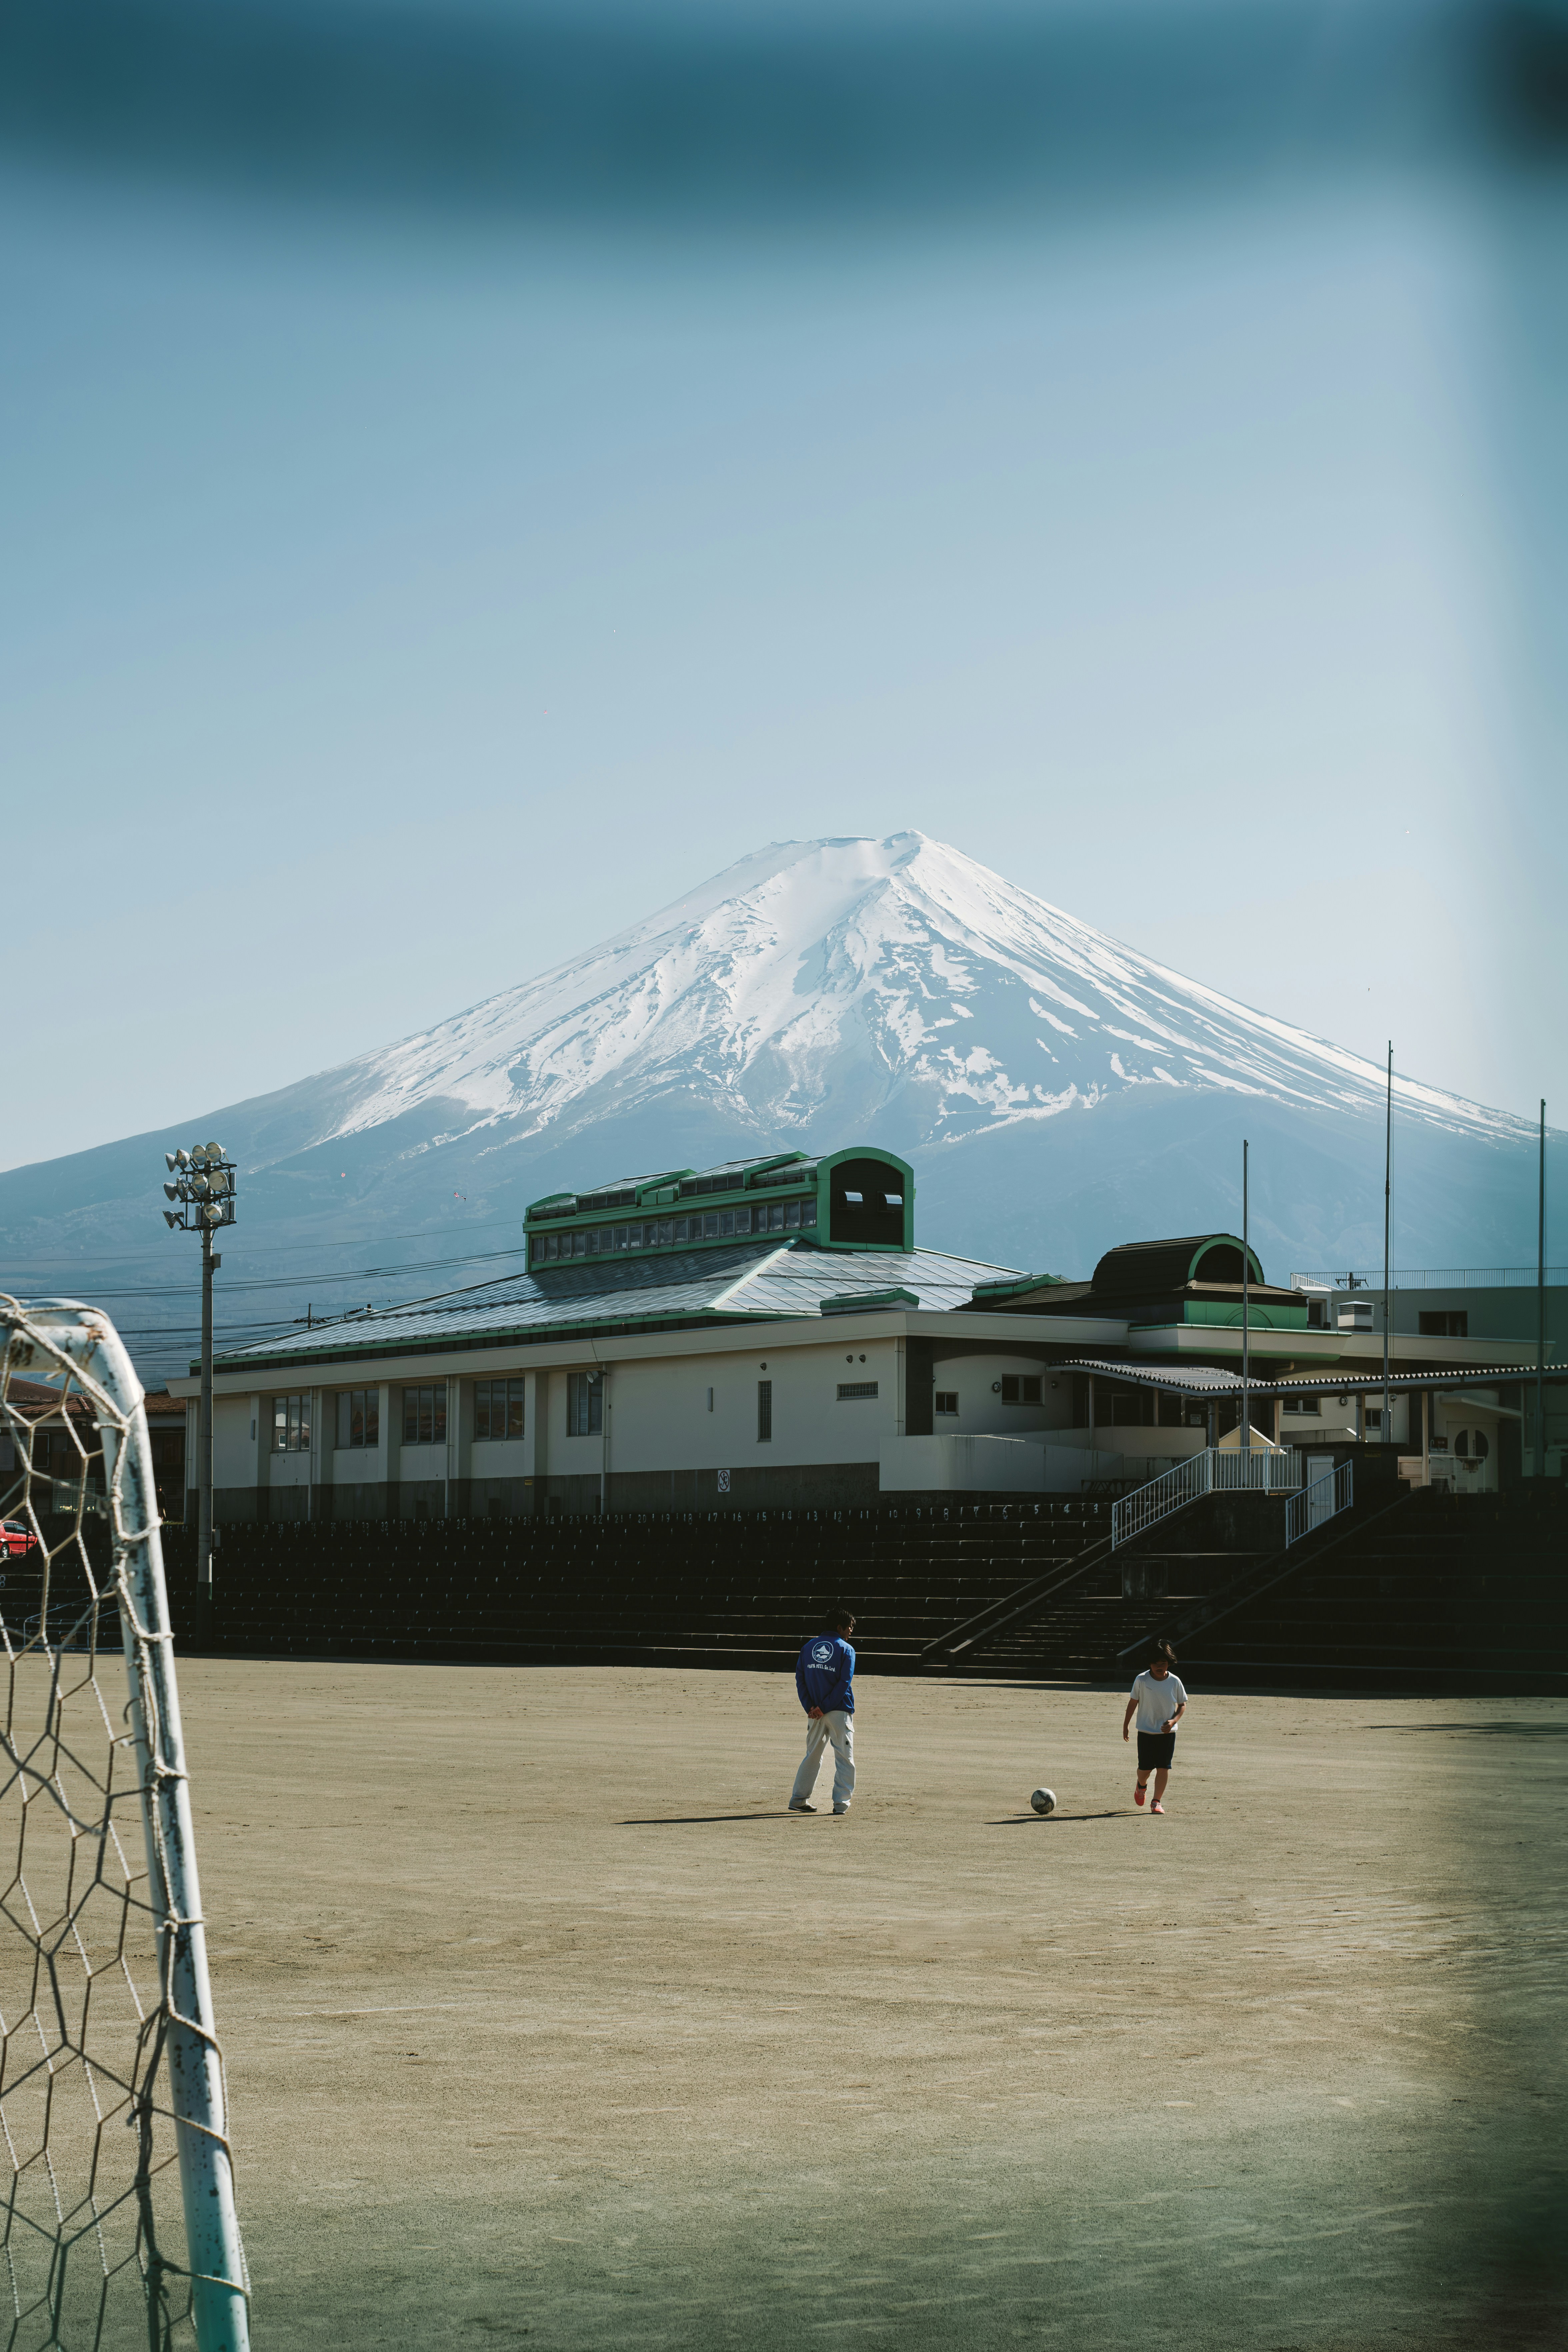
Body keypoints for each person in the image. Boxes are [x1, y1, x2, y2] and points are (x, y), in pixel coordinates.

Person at [789, 1608, 857, 1816]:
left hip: (814, 1714)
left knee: (812, 1756)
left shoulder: (808, 1647)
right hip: (838, 1711)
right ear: (840, 1627)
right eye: (850, 1628)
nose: (851, 1632)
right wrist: (825, 1707)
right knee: (845, 1758)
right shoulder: (847, 1649)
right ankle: (841, 1804)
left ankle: (799, 1799)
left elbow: (800, 1679)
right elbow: (844, 1682)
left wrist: (810, 1706)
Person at [1122, 1639, 1187, 1814]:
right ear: (1150, 1663)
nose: (1160, 1666)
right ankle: (1141, 1785)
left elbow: (1182, 1705)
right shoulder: (1142, 1680)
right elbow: (1133, 1702)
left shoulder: (1174, 1682)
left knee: (1164, 1767)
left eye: (1164, 1663)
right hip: (1146, 1731)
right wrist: (1126, 1725)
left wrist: (1174, 1721)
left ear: (1169, 1663)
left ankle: (1156, 1802)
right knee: (1144, 1769)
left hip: (1167, 1733)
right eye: (1156, 1663)